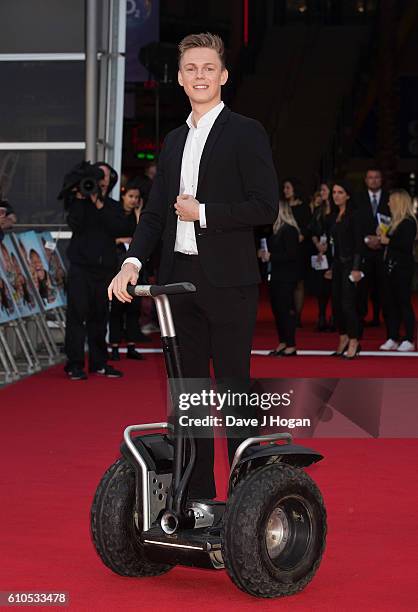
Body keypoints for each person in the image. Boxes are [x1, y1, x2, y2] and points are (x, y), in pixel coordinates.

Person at [108, 32, 279, 498]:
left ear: (223, 76)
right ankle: (196, 499)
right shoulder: (173, 140)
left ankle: (250, 501)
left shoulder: (247, 132)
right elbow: (157, 212)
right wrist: (133, 263)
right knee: (189, 399)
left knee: (233, 392)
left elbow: (266, 207)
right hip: (178, 283)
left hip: (229, 284)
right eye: (190, 69)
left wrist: (203, 212)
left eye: (208, 68)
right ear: (181, 80)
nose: (199, 75)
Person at [61, 161, 130, 380]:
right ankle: (74, 364)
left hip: (104, 271)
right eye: (97, 176)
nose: (101, 179)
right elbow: (75, 224)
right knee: (76, 317)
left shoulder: (112, 205)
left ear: (111, 180)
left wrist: (99, 204)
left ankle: (100, 363)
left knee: (100, 318)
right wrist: (82, 199)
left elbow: (120, 229)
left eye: (105, 176)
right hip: (81, 269)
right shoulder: (78, 202)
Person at [109, 182, 146, 361]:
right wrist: (120, 240)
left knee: (133, 308)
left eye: (136, 198)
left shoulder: (137, 216)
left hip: (134, 267)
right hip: (116, 264)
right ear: (123, 196)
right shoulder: (115, 214)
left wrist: (139, 213)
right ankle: (114, 346)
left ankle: (131, 345)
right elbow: (107, 237)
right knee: (116, 308)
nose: (133, 200)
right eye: (131, 196)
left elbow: (142, 235)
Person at [378, 189, 417, 352]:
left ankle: (409, 338)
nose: (388, 203)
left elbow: (405, 246)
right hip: (390, 267)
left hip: (402, 268)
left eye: (391, 200)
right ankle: (392, 336)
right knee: (390, 304)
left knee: (403, 303)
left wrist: (388, 241)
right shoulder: (394, 221)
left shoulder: (409, 222)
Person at [259, 200, 299, 356]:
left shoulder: (289, 230)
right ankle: (283, 342)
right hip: (276, 276)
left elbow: (291, 255)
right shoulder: (277, 230)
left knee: (285, 311)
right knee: (278, 310)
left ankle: (291, 344)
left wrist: (271, 256)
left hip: (286, 277)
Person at [329, 181, 364, 359]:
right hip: (338, 265)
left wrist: (357, 269)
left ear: (348, 195)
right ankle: (342, 337)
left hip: (351, 264)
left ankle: (354, 340)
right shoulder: (334, 215)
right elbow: (333, 244)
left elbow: (359, 244)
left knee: (347, 304)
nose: (336, 195)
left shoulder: (354, 216)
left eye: (340, 192)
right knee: (336, 303)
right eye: (334, 192)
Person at [355, 167, 390, 326]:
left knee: (382, 285)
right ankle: (361, 316)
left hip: (384, 249)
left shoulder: (390, 198)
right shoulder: (358, 198)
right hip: (364, 248)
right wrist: (366, 239)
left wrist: (381, 238)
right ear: (366, 180)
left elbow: (394, 221)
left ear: (381, 180)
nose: (374, 180)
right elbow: (354, 222)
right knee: (363, 285)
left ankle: (379, 316)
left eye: (377, 177)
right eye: (370, 177)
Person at [281, 178, 311, 327]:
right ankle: (287, 313)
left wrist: (302, 235)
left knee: (299, 282)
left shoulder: (303, 207)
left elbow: (308, 226)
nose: (285, 190)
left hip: (299, 250)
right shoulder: (282, 206)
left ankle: (297, 316)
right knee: (286, 283)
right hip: (284, 250)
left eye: (288, 187)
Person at [310, 182, 336, 331]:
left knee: (333, 286)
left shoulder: (337, 210)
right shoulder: (319, 210)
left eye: (324, 190)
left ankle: (334, 317)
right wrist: (317, 245)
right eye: (320, 190)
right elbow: (312, 229)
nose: (322, 192)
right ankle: (321, 316)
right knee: (321, 287)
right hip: (319, 252)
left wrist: (328, 246)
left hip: (333, 252)